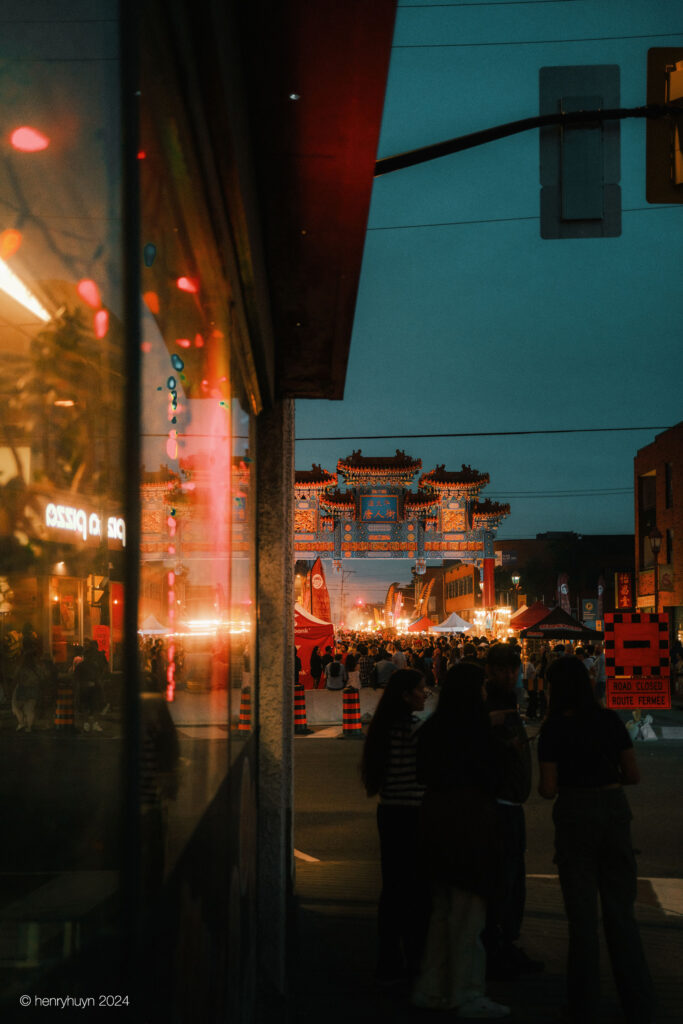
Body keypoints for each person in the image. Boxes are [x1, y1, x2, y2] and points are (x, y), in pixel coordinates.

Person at [537, 656, 655, 1024]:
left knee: (582, 918)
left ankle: (582, 1005)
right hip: (613, 810)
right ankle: (639, 1004)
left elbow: (548, 789)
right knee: (621, 913)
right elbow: (633, 775)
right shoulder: (608, 720)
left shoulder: (553, 728)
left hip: (574, 812)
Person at [411, 663, 510, 1019]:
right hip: (469, 821)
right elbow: (495, 776)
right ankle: (466, 992)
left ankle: (431, 988)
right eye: (481, 687)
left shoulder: (433, 729)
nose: (485, 692)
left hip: (435, 817)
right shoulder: (477, 732)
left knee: (441, 910)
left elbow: (421, 770)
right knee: (469, 914)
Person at [360, 669, 430, 986]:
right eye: (420, 689)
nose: (425, 693)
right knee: (416, 889)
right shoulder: (416, 729)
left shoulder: (381, 729)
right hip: (413, 814)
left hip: (388, 812)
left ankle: (388, 957)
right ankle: (414, 956)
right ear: (405, 695)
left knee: (392, 888)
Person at [483, 643, 542, 980]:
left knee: (512, 880)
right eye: (502, 669)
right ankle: (499, 947)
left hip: (511, 805)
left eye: (512, 669)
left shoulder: (507, 701)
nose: (509, 674)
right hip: (498, 808)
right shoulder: (486, 705)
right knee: (503, 881)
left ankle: (504, 943)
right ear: (489, 670)